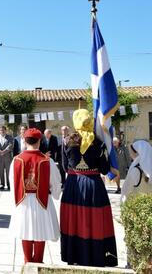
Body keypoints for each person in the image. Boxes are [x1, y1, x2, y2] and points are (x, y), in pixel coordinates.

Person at [60, 109, 118, 267]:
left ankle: (75, 255)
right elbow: (105, 169)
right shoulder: (99, 142)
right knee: (94, 220)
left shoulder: (66, 141)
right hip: (93, 184)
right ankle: (95, 256)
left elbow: (65, 167)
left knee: (75, 219)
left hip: (73, 185)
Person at [9, 128, 61, 264]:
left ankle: (27, 262)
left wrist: (14, 200)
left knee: (24, 231)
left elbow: (12, 183)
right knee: (41, 232)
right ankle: (38, 263)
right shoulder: (47, 160)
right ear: (39, 141)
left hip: (23, 201)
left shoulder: (16, 159)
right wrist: (55, 195)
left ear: (25, 141)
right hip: (42, 201)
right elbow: (56, 181)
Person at [0, 126, 14, 190]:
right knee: (1, 171)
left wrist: (4, 151)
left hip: (7, 157)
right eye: (1, 130)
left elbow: (11, 145)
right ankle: (2, 184)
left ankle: (9, 184)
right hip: (0, 157)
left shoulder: (10, 137)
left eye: (3, 130)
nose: (2, 131)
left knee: (8, 171)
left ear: (5, 130)